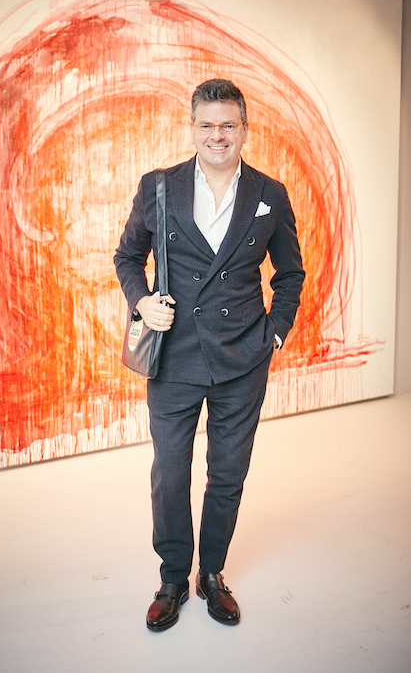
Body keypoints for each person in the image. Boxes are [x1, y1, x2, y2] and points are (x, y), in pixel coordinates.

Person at [114, 78, 305, 631]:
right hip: (174, 356)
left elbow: (290, 274)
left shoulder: (270, 194)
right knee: (171, 473)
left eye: (228, 124)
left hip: (243, 358)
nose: (217, 134)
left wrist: (274, 335)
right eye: (206, 124)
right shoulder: (159, 187)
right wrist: (142, 301)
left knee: (228, 474)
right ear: (192, 128)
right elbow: (127, 256)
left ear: (245, 129)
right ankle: (174, 576)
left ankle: (212, 573)